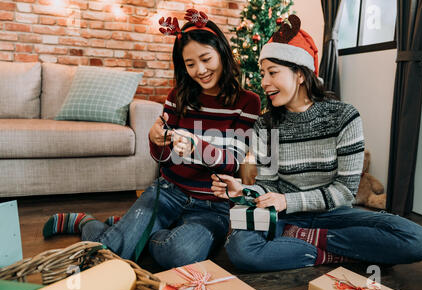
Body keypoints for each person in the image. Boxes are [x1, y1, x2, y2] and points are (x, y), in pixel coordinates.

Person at [211, 15, 422, 272]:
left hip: (335, 215)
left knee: (417, 240)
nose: (264, 83)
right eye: (262, 74)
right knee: (241, 249)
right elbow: (267, 186)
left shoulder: (344, 116)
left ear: (300, 74)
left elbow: (345, 191)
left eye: (272, 73)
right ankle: (342, 253)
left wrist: (289, 201)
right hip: (283, 217)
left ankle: (305, 242)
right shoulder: (265, 125)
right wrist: (243, 190)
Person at [43, 9, 260, 269]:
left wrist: (196, 145)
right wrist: (156, 140)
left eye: (205, 59)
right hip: (168, 192)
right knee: (110, 256)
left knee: (179, 254)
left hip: (212, 207)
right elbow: (163, 160)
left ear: (222, 53)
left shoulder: (248, 102)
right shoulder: (177, 95)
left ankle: (129, 230)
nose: (200, 70)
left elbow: (234, 162)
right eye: (190, 64)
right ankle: (88, 222)